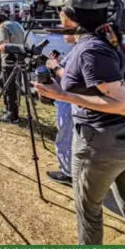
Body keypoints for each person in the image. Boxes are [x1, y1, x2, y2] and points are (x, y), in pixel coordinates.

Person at [33, 0, 125, 245]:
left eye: (61, 8)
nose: (58, 13)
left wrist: (62, 95)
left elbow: (124, 105)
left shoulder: (90, 50)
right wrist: (58, 69)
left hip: (105, 141)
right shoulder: (108, 30)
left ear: (71, 15)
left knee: (89, 213)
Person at [45, 36, 75, 187]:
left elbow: (71, 77)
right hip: (75, 99)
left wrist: (55, 66)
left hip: (70, 99)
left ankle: (67, 173)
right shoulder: (84, 46)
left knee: (66, 134)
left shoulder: (84, 47)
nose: (62, 33)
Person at [0, 8, 24, 124]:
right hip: (19, 58)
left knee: (8, 88)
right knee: (13, 87)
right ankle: (10, 109)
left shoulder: (3, 27)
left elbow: (5, 45)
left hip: (9, 59)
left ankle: (12, 115)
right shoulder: (15, 24)